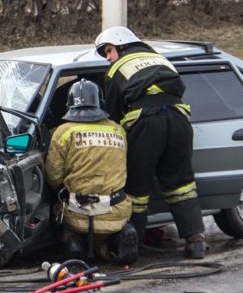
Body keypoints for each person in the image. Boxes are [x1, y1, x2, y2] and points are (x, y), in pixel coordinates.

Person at [95, 26, 207, 259]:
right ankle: (195, 239)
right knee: (181, 182)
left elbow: (113, 112)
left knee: (137, 188)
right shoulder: (161, 59)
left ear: (121, 45)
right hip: (178, 119)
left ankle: (133, 245)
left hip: (147, 124)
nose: (108, 58)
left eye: (108, 51)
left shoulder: (117, 68)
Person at [45, 79, 138, 263]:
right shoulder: (118, 130)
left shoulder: (63, 132)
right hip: (115, 211)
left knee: (55, 208)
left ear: (69, 105)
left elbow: (54, 176)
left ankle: (73, 241)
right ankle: (118, 237)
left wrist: (61, 191)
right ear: (100, 103)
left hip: (77, 212)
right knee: (110, 221)